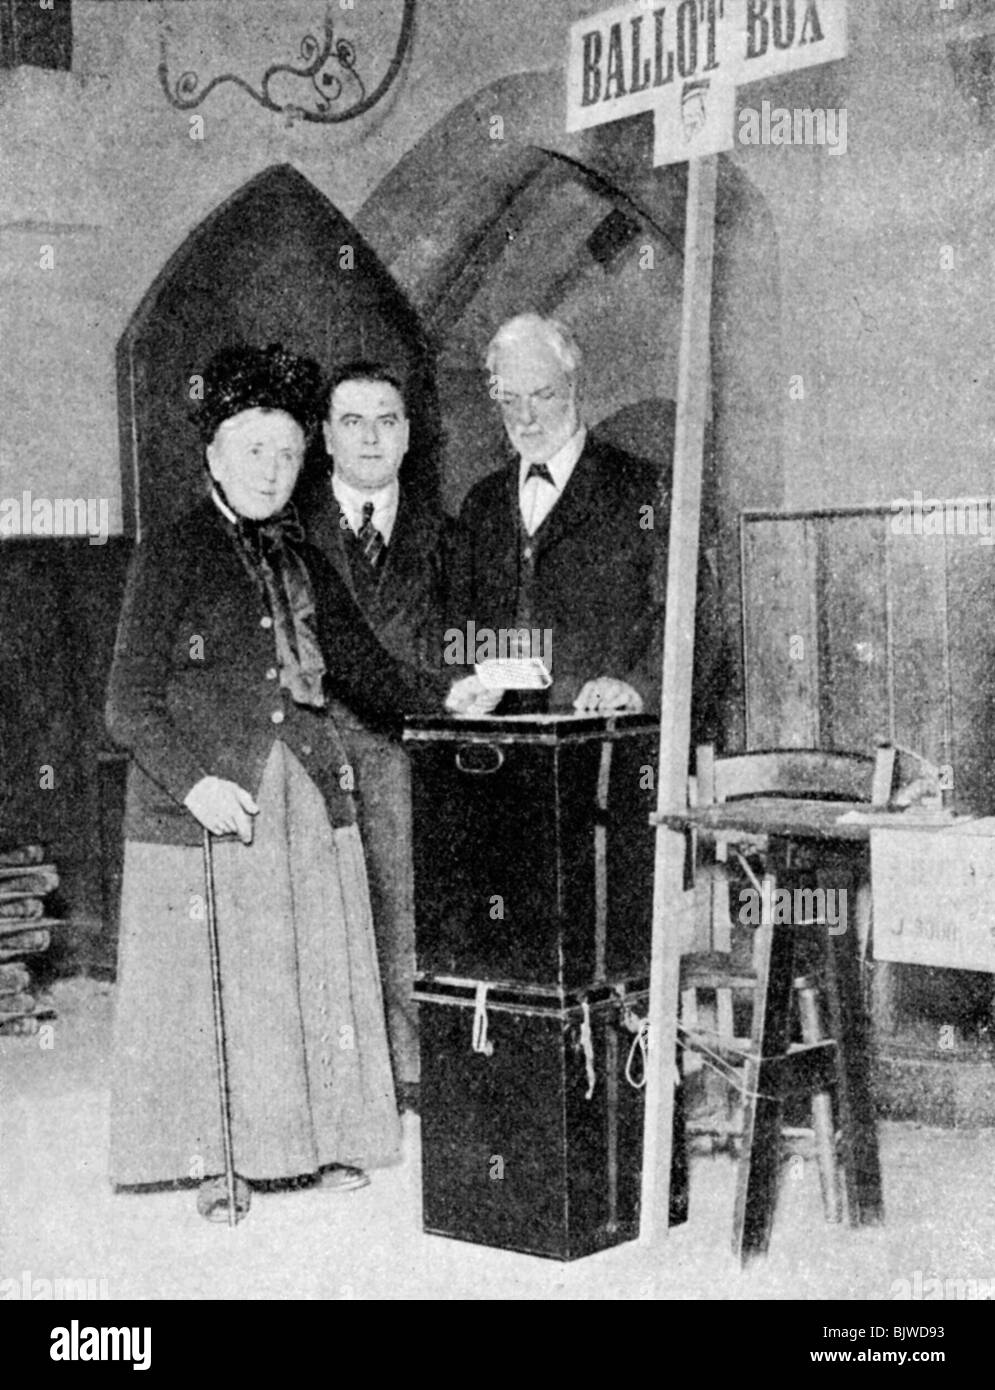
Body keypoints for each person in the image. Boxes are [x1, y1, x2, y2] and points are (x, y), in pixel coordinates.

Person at [106, 343, 492, 1214]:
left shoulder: (303, 556)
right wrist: (195, 783)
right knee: (227, 986)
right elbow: (127, 705)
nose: (274, 469)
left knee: (311, 973)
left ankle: (309, 1147)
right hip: (212, 800)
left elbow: (366, 671)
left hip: (307, 794)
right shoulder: (170, 551)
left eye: (287, 453)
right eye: (255, 451)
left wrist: (449, 700)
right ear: (214, 454)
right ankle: (217, 1158)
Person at [300, 362, 446, 1107]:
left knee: (402, 904)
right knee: (319, 911)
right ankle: (329, 1086)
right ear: (325, 436)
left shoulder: (445, 534)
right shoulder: (289, 532)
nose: (369, 437)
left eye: (385, 420)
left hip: (408, 748)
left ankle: (410, 1074)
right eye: (351, 422)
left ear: (407, 435)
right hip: (316, 745)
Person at [447, 313, 665, 714]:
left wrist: (635, 688)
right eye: (510, 400)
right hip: (505, 752)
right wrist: (469, 681)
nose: (525, 417)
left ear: (573, 386)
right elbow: (461, 628)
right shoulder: (483, 502)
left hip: (605, 745)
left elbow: (694, 619)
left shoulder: (642, 489)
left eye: (541, 396)